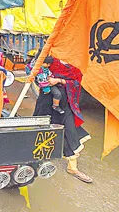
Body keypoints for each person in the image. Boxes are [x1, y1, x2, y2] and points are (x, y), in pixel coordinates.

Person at [31, 56, 92, 184]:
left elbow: (77, 83)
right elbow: (33, 68)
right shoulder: (51, 58)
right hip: (46, 102)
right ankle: (32, 160)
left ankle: (72, 167)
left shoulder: (76, 63)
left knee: (70, 130)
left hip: (66, 104)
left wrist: (59, 80)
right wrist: (42, 79)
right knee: (41, 127)